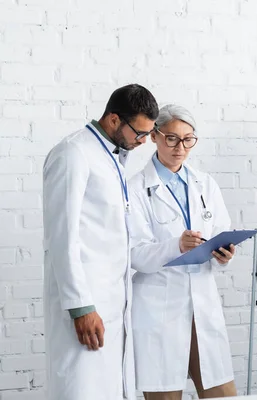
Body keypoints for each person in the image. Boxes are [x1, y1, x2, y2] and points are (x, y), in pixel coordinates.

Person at [42, 84, 159, 400]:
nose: (143, 141)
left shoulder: (112, 158)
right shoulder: (73, 154)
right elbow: (61, 235)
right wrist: (81, 306)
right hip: (85, 304)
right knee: (80, 388)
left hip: (112, 302)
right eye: (139, 133)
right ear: (113, 119)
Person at [128, 104, 237, 399]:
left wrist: (223, 254)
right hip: (160, 306)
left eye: (189, 139)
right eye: (172, 139)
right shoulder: (135, 188)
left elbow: (220, 233)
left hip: (202, 302)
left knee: (222, 393)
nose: (181, 147)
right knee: (165, 395)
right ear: (154, 136)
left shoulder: (205, 183)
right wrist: (175, 245)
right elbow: (135, 253)